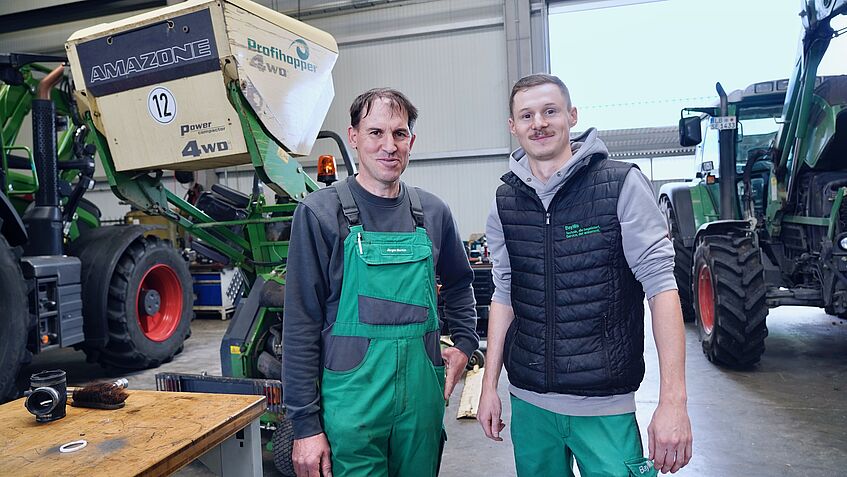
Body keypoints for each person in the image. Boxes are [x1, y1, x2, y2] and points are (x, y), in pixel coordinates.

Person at [476, 74, 692, 476]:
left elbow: (661, 288)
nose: (538, 123)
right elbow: (503, 294)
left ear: (571, 116)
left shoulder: (620, 184)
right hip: (529, 405)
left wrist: (673, 402)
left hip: (604, 406)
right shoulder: (504, 202)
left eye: (550, 111)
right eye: (526, 115)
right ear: (513, 126)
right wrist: (489, 387)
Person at [282, 88, 478, 477]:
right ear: (353, 137)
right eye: (375, 133)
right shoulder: (320, 214)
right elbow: (300, 325)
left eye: (399, 134)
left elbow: (460, 283)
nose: (389, 146)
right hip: (352, 408)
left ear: (411, 141)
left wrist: (466, 345)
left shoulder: (433, 212)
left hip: (421, 406)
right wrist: (305, 426)